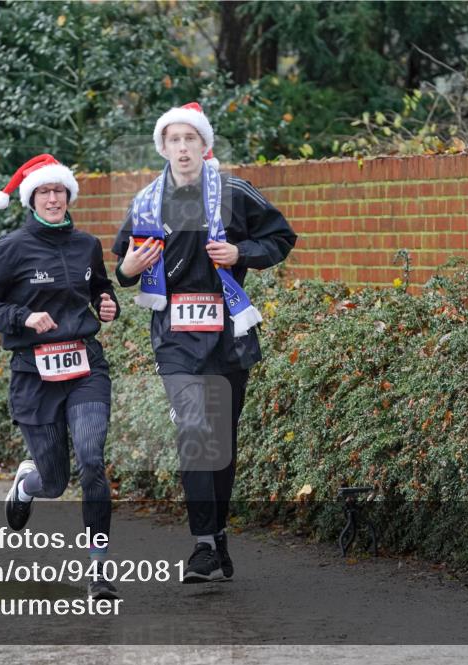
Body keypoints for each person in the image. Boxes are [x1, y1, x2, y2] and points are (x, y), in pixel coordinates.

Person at [113, 102, 297, 583]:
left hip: (228, 334)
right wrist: (127, 271)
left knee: (221, 441)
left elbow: (281, 238)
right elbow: (122, 265)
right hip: (175, 338)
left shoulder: (234, 192)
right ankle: (202, 544)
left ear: (203, 145)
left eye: (189, 139)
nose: (182, 148)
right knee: (194, 432)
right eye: (173, 140)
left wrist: (242, 252)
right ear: (164, 147)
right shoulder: (147, 201)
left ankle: (216, 539)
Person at [0, 154, 121, 600]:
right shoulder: (10, 248)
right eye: (45, 192)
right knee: (54, 483)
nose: (53, 198)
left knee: (92, 460)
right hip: (34, 375)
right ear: (32, 198)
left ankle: (99, 572)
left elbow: (99, 287)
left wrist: (108, 302)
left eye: (60, 191)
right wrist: (23, 317)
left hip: (85, 367)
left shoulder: (87, 244)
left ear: (69, 196)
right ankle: (28, 482)